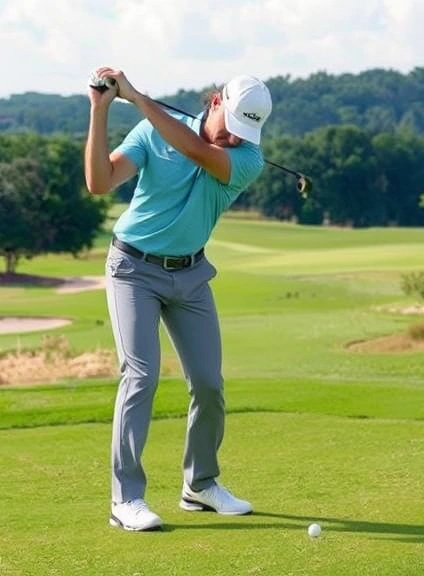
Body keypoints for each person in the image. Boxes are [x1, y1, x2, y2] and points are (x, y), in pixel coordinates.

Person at [84, 67, 272, 531]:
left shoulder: (247, 160)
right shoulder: (151, 132)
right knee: (141, 375)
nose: (233, 139)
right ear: (214, 104)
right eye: (229, 127)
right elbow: (100, 181)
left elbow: (196, 149)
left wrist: (137, 94)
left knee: (209, 383)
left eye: (242, 134)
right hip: (132, 269)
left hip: (190, 277)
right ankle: (125, 499)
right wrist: (100, 109)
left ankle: (200, 485)